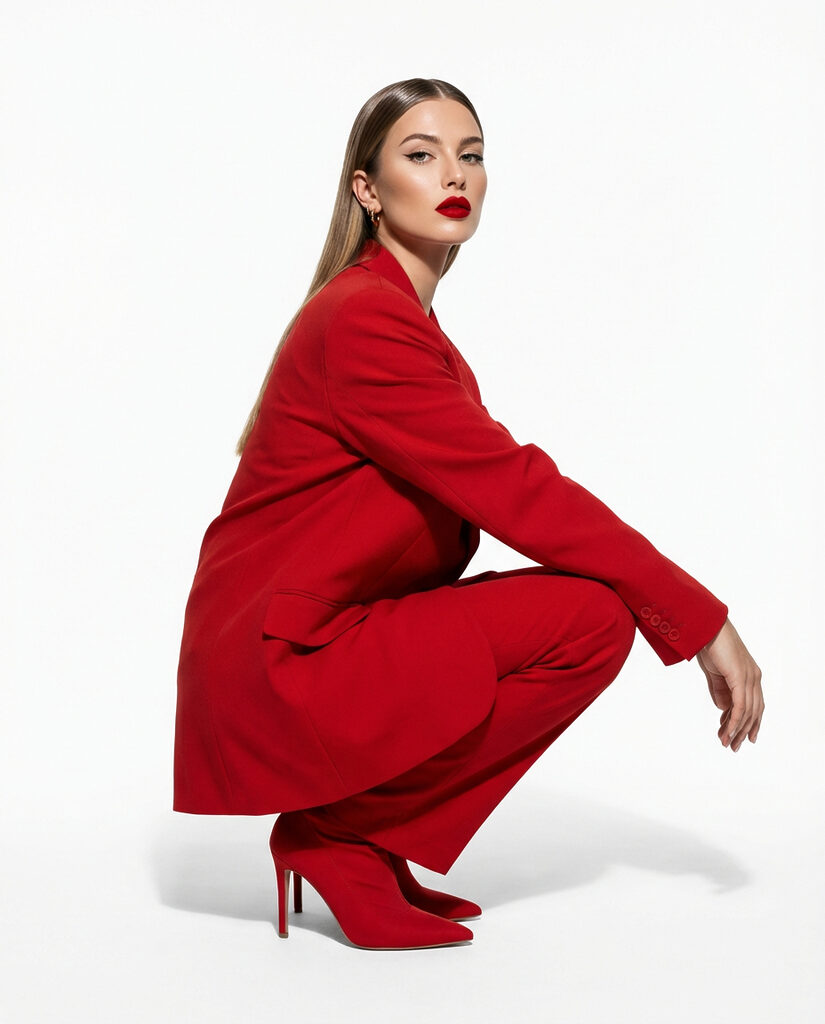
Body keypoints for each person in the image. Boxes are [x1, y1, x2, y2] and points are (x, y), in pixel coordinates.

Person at [173, 77, 764, 951]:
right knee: (587, 620)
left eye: (471, 155)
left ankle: (361, 836)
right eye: (420, 155)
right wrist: (700, 619)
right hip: (286, 658)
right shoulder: (363, 322)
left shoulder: (399, 319)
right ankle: (340, 835)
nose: (453, 174)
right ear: (367, 190)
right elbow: (519, 491)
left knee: (586, 615)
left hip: (325, 636)